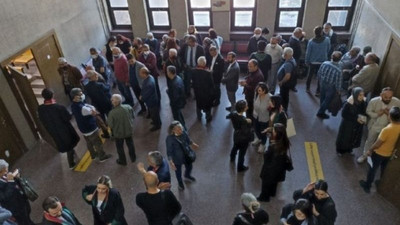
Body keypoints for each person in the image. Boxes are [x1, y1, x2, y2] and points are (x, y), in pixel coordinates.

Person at [360, 106, 400, 193]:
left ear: (390, 116)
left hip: (379, 153)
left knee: (372, 169)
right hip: (389, 154)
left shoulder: (387, 129)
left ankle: (367, 186)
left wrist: (370, 150)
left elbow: (378, 143)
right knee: (383, 170)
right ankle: (381, 184)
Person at [38, 88, 80, 169]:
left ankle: (72, 153)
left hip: (53, 131)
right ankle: (71, 163)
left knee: (64, 144)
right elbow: (67, 117)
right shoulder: (59, 107)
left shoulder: (41, 109)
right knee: (69, 145)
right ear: (52, 95)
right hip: (65, 130)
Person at [357, 87, 400, 163]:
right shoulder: (374, 101)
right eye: (385, 97)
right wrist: (377, 114)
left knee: (381, 144)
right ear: (381, 95)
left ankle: (375, 158)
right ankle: (365, 155)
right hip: (375, 125)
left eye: (390, 97)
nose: (388, 99)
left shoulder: (397, 102)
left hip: (388, 127)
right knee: (370, 141)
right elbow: (368, 111)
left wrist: (389, 114)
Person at [70, 88, 112, 162]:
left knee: (89, 143)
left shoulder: (74, 105)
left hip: (83, 128)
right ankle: (102, 156)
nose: (82, 95)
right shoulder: (83, 108)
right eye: (80, 94)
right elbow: (94, 111)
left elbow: (87, 106)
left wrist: (90, 107)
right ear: (76, 96)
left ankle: (93, 155)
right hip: (90, 128)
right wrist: (92, 108)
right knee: (97, 142)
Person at [258, 123, 290, 202]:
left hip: (270, 169)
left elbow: (266, 156)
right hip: (279, 169)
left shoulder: (273, 146)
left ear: (276, 133)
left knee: (265, 184)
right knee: (273, 183)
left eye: (274, 130)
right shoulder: (284, 141)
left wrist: (266, 150)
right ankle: (272, 193)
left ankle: (264, 197)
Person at [166, 121, 199, 190]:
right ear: (173, 130)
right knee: (178, 172)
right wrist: (171, 161)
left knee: (189, 167)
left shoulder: (184, 133)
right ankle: (180, 182)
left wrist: (193, 144)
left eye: (181, 129)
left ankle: (187, 175)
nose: (181, 131)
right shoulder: (170, 139)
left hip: (187, 155)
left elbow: (188, 140)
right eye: (178, 129)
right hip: (177, 159)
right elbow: (169, 151)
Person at [0, 160, 34, 225]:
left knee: (28, 218)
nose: (7, 172)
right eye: (5, 170)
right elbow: (5, 198)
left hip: (22, 201)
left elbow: (14, 184)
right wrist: (10, 181)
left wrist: (16, 177)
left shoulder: (4, 175)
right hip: (16, 209)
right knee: (24, 222)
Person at [336, 87, 367, 156]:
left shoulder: (363, 102)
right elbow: (344, 114)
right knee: (344, 137)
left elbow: (364, 112)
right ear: (355, 95)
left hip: (356, 124)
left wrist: (363, 119)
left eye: (363, 95)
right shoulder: (348, 103)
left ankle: (349, 149)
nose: (362, 97)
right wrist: (356, 118)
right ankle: (340, 150)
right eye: (360, 95)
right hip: (347, 124)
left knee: (353, 137)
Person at [108, 94, 136, 165]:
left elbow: (110, 125)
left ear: (114, 102)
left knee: (120, 148)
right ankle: (133, 158)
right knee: (130, 144)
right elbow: (133, 116)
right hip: (128, 131)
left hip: (118, 134)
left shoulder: (112, 113)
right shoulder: (128, 107)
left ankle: (122, 161)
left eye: (112, 100)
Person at [316, 51, 343, 119]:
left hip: (322, 82)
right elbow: (338, 82)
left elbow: (319, 73)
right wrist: (339, 91)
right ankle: (320, 112)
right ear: (340, 59)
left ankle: (321, 108)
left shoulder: (324, 63)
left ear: (331, 56)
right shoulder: (339, 70)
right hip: (330, 86)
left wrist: (319, 81)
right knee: (327, 100)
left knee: (322, 97)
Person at [305, 26, 331, 96]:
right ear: (321, 32)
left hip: (313, 61)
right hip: (323, 61)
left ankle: (307, 87)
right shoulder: (327, 40)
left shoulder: (311, 41)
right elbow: (329, 49)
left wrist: (307, 61)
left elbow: (308, 52)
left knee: (310, 75)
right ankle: (318, 91)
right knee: (320, 76)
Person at [230, 100, 252, 172]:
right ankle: (240, 167)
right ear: (243, 109)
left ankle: (232, 157)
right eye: (246, 106)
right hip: (243, 139)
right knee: (242, 153)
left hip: (236, 136)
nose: (247, 107)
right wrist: (248, 123)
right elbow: (246, 131)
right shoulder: (244, 120)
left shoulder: (233, 114)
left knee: (235, 147)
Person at [191, 56, 215, 122]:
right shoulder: (208, 73)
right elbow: (211, 85)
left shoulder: (193, 71)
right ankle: (208, 117)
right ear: (204, 63)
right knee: (207, 106)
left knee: (198, 105)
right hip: (206, 93)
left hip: (197, 92)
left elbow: (192, 81)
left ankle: (199, 116)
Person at [139, 67, 162, 131]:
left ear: (144, 74)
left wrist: (142, 98)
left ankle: (157, 125)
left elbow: (147, 94)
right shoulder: (149, 77)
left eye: (140, 73)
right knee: (155, 113)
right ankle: (157, 122)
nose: (139, 75)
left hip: (152, 101)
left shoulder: (149, 83)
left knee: (154, 114)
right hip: (152, 100)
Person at [252, 83, 271, 153]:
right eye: (257, 90)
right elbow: (254, 102)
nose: (258, 92)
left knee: (263, 132)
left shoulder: (269, 97)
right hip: (256, 115)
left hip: (264, 117)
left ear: (264, 91)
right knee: (256, 129)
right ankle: (258, 138)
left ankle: (263, 144)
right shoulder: (256, 94)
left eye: (260, 90)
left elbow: (273, 107)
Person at [277, 47, 297, 112]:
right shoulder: (292, 59)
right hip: (288, 83)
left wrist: (281, 82)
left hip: (285, 84)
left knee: (284, 97)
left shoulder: (288, 64)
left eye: (284, 53)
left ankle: (283, 110)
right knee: (285, 96)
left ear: (286, 54)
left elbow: (287, 76)